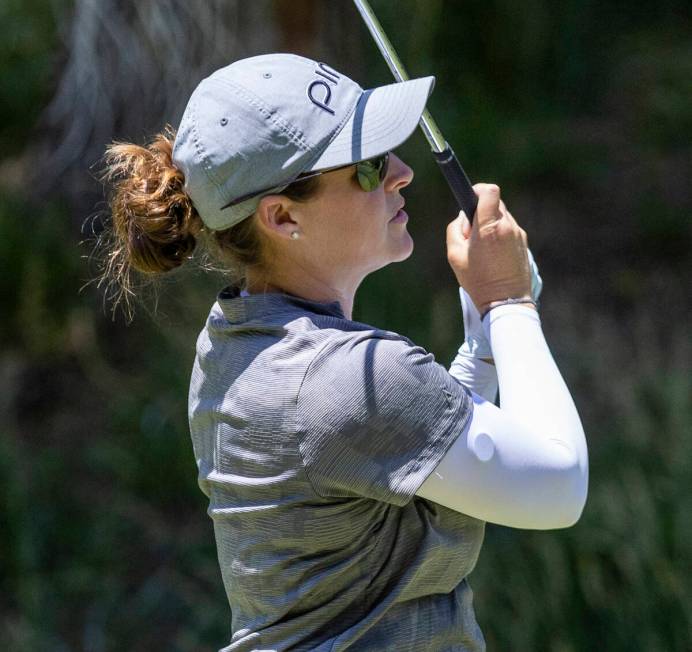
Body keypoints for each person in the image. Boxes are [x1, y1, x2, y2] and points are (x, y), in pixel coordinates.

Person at [98, 53, 588, 651]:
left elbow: (420, 449)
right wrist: (511, 305)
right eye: (367, 166)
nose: (402, 172)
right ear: (282, 216)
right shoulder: (344, 378)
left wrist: (487, 340)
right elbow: (559, 486)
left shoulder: (233, 338)